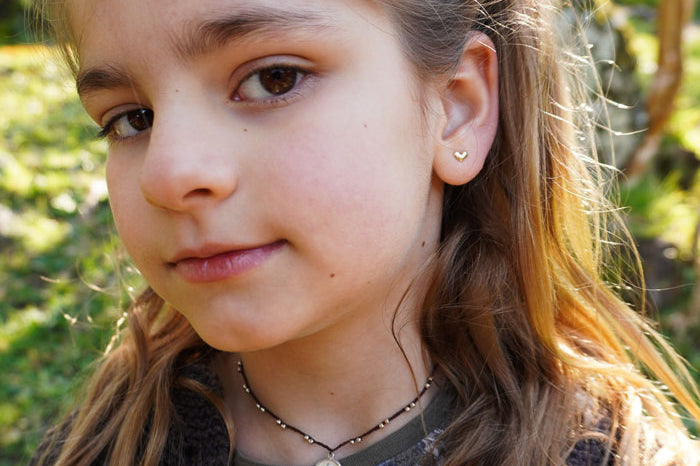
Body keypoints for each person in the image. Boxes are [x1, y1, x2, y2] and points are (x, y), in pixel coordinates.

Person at [29, 0, 700, 464]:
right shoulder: (97, 451)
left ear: (457, 108)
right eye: (132, 119)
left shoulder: (611, 455)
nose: (168, 173)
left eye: (272, 79)